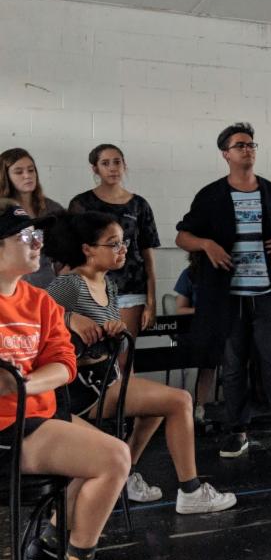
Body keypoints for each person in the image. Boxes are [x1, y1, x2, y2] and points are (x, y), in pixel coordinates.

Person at [46, 211, 236, 514]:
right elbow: (37, 315)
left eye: (124, 243)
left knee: (159, 408)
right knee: (179, 401)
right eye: (113, 244)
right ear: (88, 249)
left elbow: (107, 336)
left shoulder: (108, 284)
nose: (123, 250)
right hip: (80, 388)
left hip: (106, 378)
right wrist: (70, 318)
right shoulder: (70, 284)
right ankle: (191, 491)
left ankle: (126, 472)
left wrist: (114, 330)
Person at [0, 199, 132, 560]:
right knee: (113, 457)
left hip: (37, 415)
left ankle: (50, 543)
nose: (37, 243)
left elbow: (64, 362)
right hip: (7, 429)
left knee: (108, 454)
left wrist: (25, 384)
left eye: (37, 234)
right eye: (25, 236)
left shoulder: (39, 301)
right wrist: (23, 385)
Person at [175, 122, 271, 459]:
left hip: (266, 293)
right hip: (227, 297)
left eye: (251, 144)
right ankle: (237, 431)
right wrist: (206, 244)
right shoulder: (210, 195)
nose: (247, 150)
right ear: (225, 154)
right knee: (234, 364)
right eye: (240, 145)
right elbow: (182, 237)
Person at [69, 144, 160, 340]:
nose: (112, 168)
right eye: (105, 163)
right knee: (94, 349)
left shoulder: (139, 205)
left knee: (123, 349)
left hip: (130, 288)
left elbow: (148, 257)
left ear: (124, 165)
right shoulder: (81, 203)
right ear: (95, 169)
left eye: (117, 162)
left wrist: (152, 301)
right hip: (91, 289)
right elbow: (73, 251)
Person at [0, 148, 65, 289]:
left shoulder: (52, 208)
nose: (27, 176)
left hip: (47, 282)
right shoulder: (3, 210)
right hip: (10, 284)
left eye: (31, 170)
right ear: (6, 176)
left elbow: (64, 252)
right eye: (19, 172)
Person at [174, 254, 218, 426]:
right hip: (193, 331)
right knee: (203, 356)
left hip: (216, 331)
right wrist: (202, 310)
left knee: (211, 359)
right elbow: (180, 309)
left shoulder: (223, 274)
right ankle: (189, 406)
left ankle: (200, 407)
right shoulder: (189, 274)